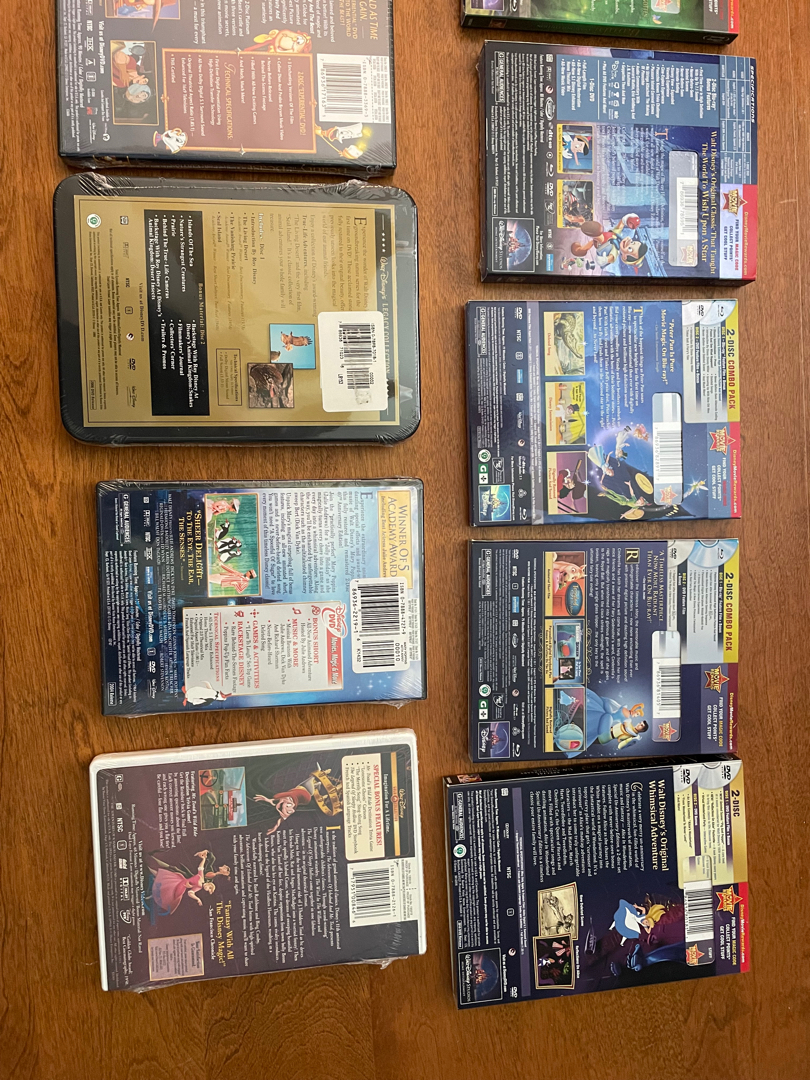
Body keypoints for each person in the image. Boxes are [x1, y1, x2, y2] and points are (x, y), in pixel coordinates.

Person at [146, 851, 216, 914]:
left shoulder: (199, 887)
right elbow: (201, 867)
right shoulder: (201, 877)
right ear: (209, 884)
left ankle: (152, 895)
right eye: (209, 888)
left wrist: (197, 898)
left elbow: (190, 893)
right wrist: (203, 859)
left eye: (208, 890)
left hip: (181, 888)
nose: (207, 889)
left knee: (167, 891)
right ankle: (148, 868)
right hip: (180, 880)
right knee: (163, 877)